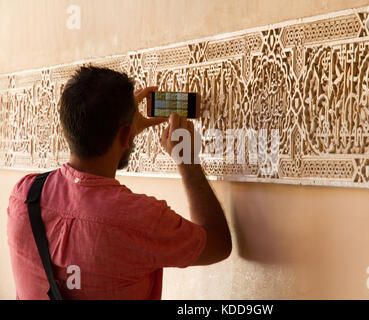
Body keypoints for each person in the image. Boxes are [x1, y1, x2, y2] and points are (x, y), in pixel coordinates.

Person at [6, 66, 232, 300]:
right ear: (125, 135)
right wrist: (187, 161)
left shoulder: (24, 194)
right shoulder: (140, 220)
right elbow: (218, 244)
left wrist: (118, 122)